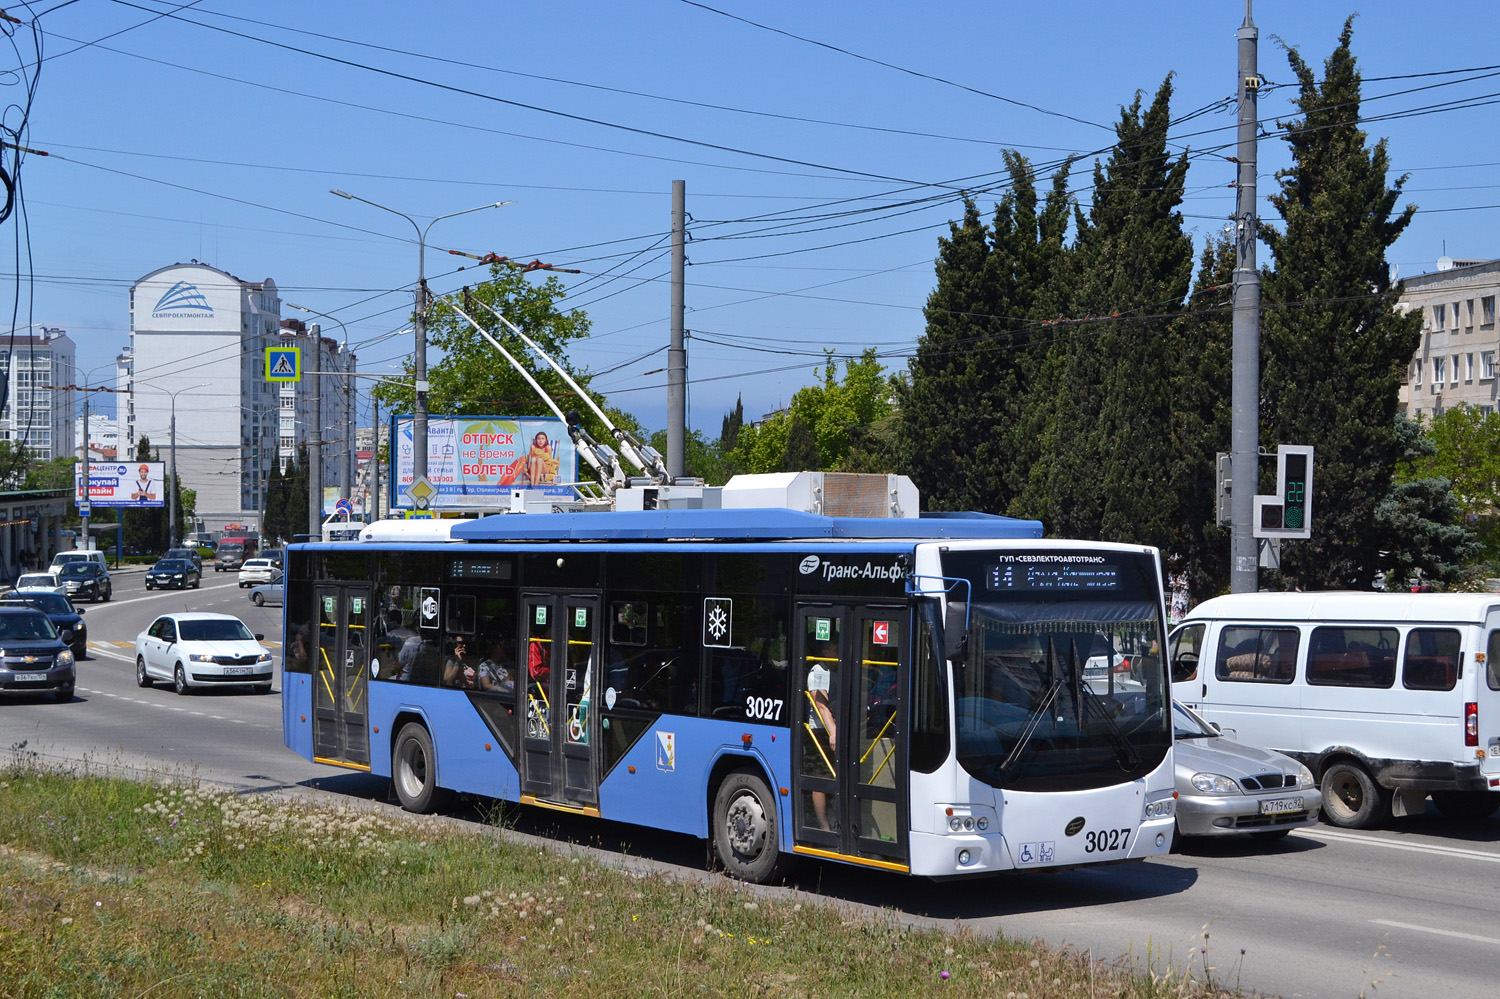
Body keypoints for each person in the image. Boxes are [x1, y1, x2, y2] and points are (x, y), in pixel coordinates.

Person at [805, 638, 839, 832]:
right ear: (826, 652)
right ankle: (824, 828)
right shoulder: (818, 671)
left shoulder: (834, 671)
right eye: (835, 649)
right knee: (820, 780)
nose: (839, 653)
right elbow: (820, 705)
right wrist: (833, 731)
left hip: (831, 729)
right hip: (819, 732)